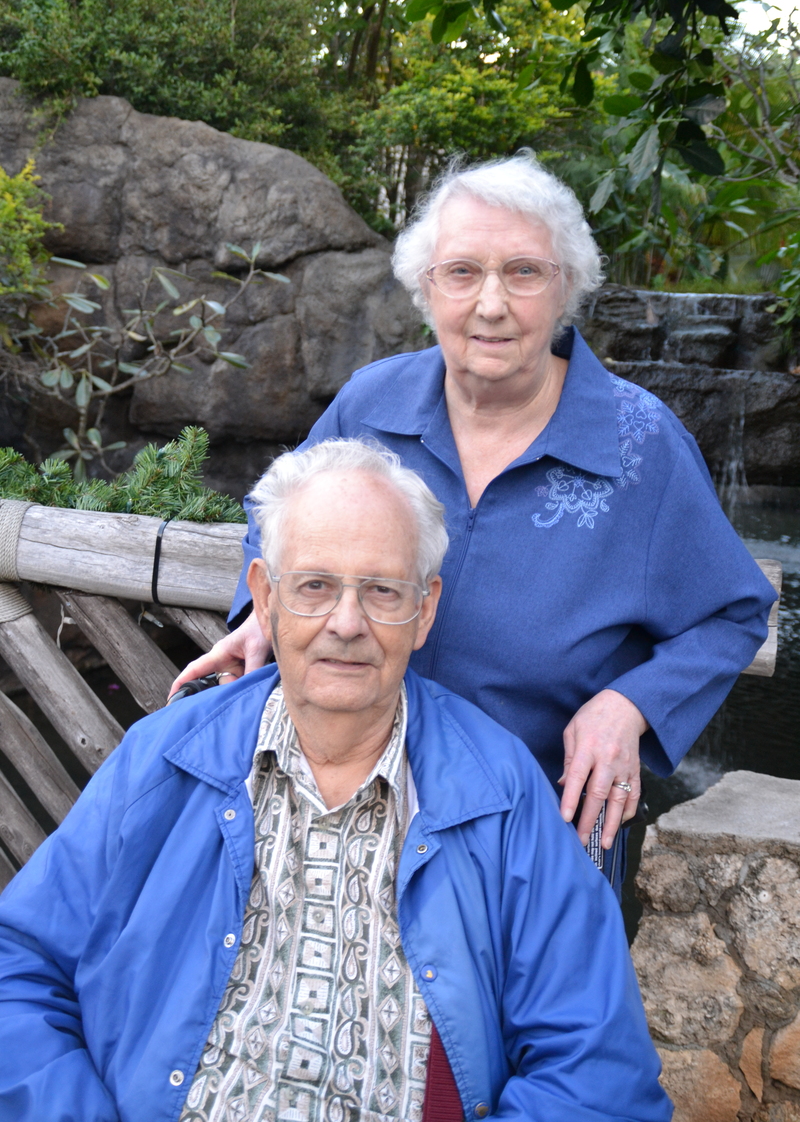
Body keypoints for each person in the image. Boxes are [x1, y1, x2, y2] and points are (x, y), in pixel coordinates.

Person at [0, 440, 671, 1122]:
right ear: (265, 598)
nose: (346, 625)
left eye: (381, 590)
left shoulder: (500, 794)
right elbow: (18, 964)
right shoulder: (166, 759)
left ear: (425, 610)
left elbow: (599, 1071)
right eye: (315, 586)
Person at [171, 154, 776, 889]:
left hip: (535, 832)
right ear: (426, 289)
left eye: (523, 272)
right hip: (343, 808)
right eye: (462, 272)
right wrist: (265, 615)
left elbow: (732, 613)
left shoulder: (640, 445)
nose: (491, 303)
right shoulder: (370, 406)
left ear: (566, 288)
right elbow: (277, 523)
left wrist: (631, 706)